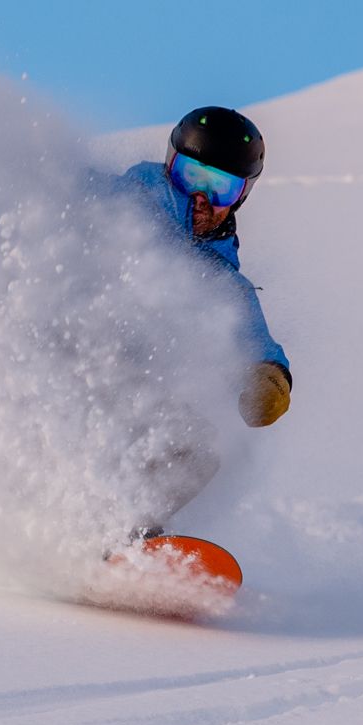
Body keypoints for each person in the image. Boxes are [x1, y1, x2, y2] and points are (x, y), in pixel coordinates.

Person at [111, 105, 292, 532]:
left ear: (241, 196)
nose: (202, 199)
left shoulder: (222, 282)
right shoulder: (117, 207)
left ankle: (121, 532)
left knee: (191, 450)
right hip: (58, 354)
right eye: (193, 177)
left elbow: (251, 339)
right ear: (171, 166)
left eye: (221, 188)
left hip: (128, 392)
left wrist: (267, 377)